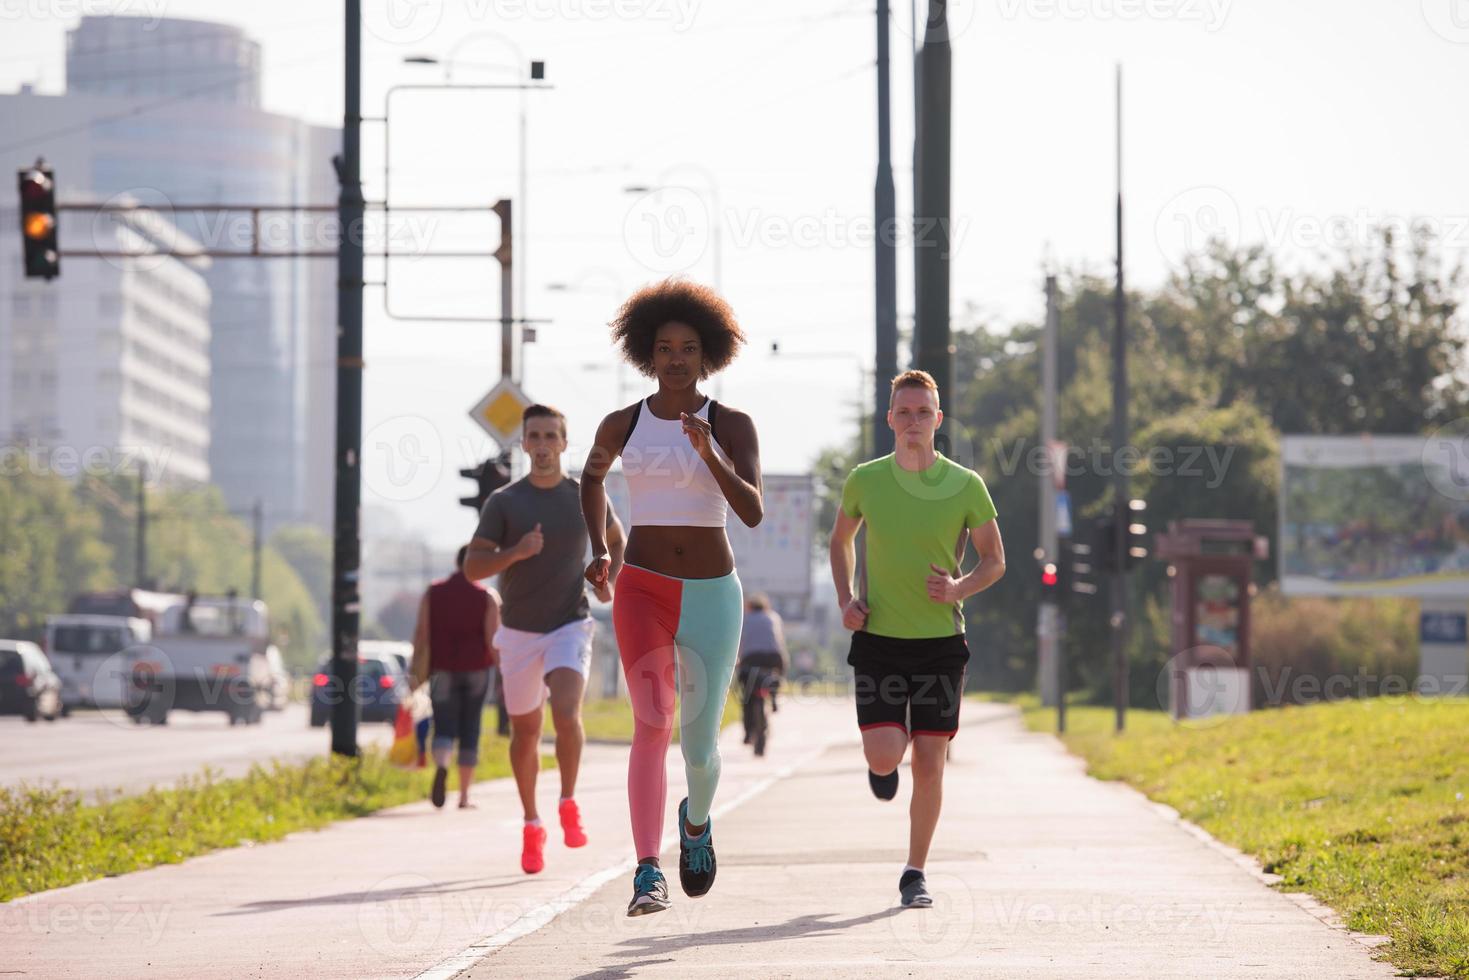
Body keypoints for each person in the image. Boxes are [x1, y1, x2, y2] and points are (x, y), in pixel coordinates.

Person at [581, 279, 764, 917]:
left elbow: (752, 511)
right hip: (642, 592)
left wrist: (708, 450)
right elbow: (593, 478)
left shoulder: (732, 424)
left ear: (707, 353)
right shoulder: (623, 422)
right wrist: (602, 548)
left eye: (688, 348)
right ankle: (645, 871)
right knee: (651, 726)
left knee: (702, 749)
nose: (677, 359)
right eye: (665, 348)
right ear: (646, 354)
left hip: (714, 594)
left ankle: (696, 821)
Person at [828, 369, 1005, 909]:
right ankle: (882, 759)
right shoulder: (865, 479)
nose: (912, 422)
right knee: (886, 758)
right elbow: (840, 542)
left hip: (940, 644)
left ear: (937, 419)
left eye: (922, 412)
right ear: (890, 419)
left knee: (930, 762)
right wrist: (845, 599)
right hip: (879, 638)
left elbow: (994, 561)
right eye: (903, 413)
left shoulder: (965, 484)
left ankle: (914, 872)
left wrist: (958, 586)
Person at [465, 404, 627, 875]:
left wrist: (606, 576)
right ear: (523, 444)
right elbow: (473, 568)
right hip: (517, 631)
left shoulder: (585, 496)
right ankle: (532, 824)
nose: (541, 444)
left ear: (562, 442)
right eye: (533, 436)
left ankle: (569, 801)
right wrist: (516, 552)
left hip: (570, 623)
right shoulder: (504, 503)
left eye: (550, 436)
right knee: (526, 732)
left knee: (566, 710)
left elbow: (615, 541)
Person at [409, 547, 501, 811]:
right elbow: (492, 640)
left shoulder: (433, 592)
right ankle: (463, 796)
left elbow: (422, 633)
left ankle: (441, 766)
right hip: (476, 671)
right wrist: (503, 672)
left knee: (444, 725)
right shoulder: (486, 596)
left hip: (442, 670)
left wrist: (415, 670)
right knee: (471, 728)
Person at [736, 594, 787, 751]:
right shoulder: (774, 617)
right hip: (774, 658)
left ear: (750, 606)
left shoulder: (744, 618)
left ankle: (747, 732)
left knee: (746, 697)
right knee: (775, 677)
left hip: (751, 659)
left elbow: (739, 642)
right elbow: (779, 641)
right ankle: (773, 696)